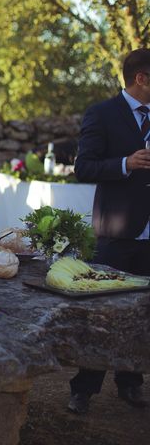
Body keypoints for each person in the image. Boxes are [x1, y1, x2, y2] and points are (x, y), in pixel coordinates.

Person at [70, 48, 150, 414]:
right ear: (141, 78)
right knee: (103, 315)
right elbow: (83, 167)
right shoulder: (101, 113)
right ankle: (83, 388)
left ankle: (131, 382)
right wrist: (125, 164)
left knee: (141, 315)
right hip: (117, 234)